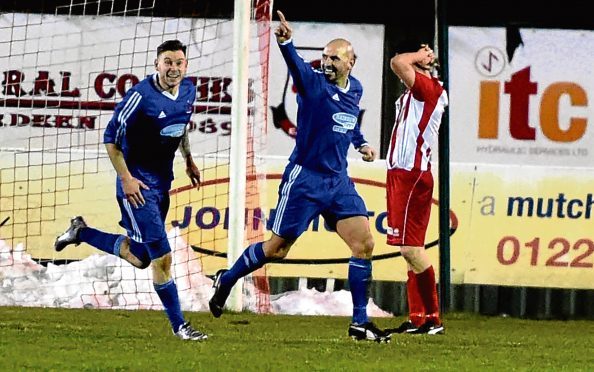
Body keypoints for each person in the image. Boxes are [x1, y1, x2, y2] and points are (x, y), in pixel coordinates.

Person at [208, 10, 389, 343]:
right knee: (277, 250)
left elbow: (347, 124)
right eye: (324, 56)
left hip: (337, 181)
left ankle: (359, 323)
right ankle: (228, 277)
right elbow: (296, 66)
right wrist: (287, 43)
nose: (327, 62)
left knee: (364, 244)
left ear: (351, 62)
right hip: (304, 180)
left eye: (334, 57)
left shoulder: (356, 89)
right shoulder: (312, 83)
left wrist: (361, 144)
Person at [54, 40, 207, 341]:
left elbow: (182, 125)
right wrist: (126, 179)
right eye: (167, 62)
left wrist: (188, 159)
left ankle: (80, 232)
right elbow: (110, 138)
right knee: (163, 258)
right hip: (137, 186)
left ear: (185, 66)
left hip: (163, 181)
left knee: (140, 258)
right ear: (156, 64)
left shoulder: (188, 91)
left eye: (178, 62)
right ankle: (181, 326)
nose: (173, 68)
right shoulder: (140, 96)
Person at [383, 42, 448, 335]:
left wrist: (418, 58)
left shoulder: (429, 90)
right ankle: (418, 317)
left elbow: (397, 61)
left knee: (410, 248)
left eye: (421, 59)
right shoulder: (416, 93)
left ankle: (433, 318)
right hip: (401, 174)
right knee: (410, 250)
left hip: (413, 175)